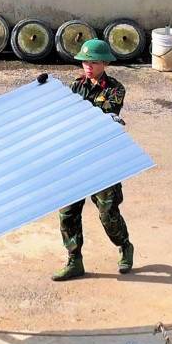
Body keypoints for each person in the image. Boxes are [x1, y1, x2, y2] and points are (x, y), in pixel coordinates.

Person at [55, 38, 134, 281]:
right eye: (85, 62)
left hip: (101, 159)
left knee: (107, 213)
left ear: (105, 64)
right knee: (67, 213)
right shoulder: (74, 85)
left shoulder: (115, 89)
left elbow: (101, 115)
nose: (88, 67)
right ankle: (74, 260)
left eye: (94, 63)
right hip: (75, 158)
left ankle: (124, 246)